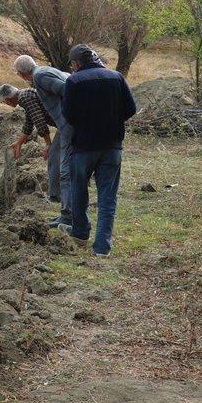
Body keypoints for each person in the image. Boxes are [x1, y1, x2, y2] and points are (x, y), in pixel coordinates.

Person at [60, 44, 138, 257]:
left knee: (79, 191)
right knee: (107, 197)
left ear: (76, 64)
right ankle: (102, 248)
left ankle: (80, 234)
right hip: (112, 146)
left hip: (83, 147)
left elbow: (69, 116)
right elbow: (131, 109)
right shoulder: (116, 77)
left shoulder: (73, 81)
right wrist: (111, 120)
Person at [14, 54, 73, 229]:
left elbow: (68, 89)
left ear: (21, 74)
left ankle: (67, 214)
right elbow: (29, 122)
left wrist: (73, 116)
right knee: (58, 162)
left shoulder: (40, 76)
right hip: (67, 125)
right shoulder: (45, 72)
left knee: (64, 169)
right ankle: (65, 211)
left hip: (70, 124)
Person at [0, 83, 53, 161]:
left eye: (4, 101)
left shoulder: (25, 98)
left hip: (66, 122)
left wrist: (48, 143)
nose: (6, 103)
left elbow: (39, 121)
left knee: (55, 155)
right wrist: (19, 143)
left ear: (7, 100)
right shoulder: (25, 95)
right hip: (66, 121)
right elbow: (28, 124)